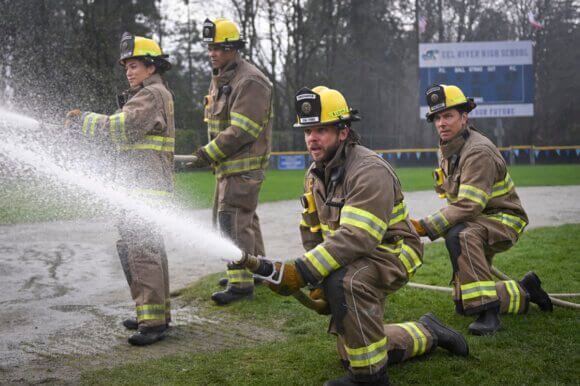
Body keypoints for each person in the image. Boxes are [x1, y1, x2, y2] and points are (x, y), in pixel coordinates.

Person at [266, 86, 469, 386]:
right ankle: (429, 331)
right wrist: (316, 278)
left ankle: (371, 378)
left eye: (321, 129)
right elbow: (311, 230)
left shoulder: (369, 170)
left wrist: (305, 270)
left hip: (393, 251)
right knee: (353, 350)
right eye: (308, 130)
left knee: (345, 282)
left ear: (344, 131)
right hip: (356, 254)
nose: (312, 138)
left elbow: (359, 236)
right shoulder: (315, 174)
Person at [411, 84, 553, 336]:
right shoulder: (446, 149)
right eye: (437, 118)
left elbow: (468, 205)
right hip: (477, 220)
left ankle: (489, 314)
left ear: (464, 117)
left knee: (460, 235)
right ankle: (526, 290)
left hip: (504, 219)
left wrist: (424, 226)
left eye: (448, 116)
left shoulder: (477, 151)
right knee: (464, 302)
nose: (441, 123)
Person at [65, 33, 175, 346]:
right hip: (146, 184)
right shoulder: (155, 93)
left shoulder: (150, 95)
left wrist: (82, 120)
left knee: (141, 251)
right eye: (126, 66)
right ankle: (155, 314)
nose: (129, 71)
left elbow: (119, 126)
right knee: (147, 249)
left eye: (135, 65)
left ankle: (152, 322)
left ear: (152, 67)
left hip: (144, 187)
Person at [187, 18, 273, 305]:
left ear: (235, 48)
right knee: (244, 220)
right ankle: (257, 270)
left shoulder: (249, 81)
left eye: (220, 48)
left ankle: (241, 284)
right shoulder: (222, 77)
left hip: (242, 168)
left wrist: (207, 153)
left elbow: (243, 130)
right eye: (210, 47)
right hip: (229, 168)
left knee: (233, 222)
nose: (213, 52)